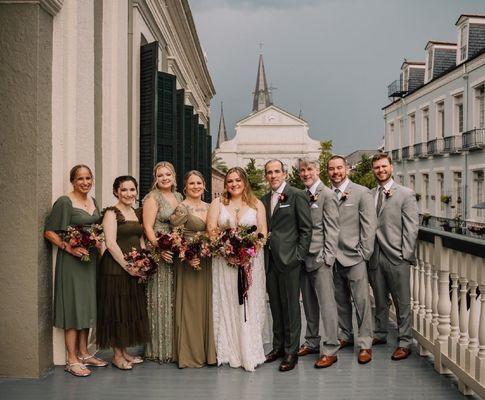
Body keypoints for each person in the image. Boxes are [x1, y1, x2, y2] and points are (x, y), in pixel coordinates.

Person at [44, 165, 107, 377]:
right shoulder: (65, 202)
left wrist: (98, 242)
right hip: (71, 263)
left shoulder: (94, 202)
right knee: (73, 306)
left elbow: (96, 228)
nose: (85, 182)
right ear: (72, 180)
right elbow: (49, 232)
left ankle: (84, 353)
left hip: (90, 262)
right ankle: (71, 359)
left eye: (88, 178)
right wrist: (68, 247)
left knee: (87, 305)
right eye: (80, 178)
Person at [207, 167, 268, 372]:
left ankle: (248, 349)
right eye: (230, 181)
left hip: (250, 263)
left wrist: (248, 253)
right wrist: (227, 251)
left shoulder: (256, 203)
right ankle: (230, 349)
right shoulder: (218, 203)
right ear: (226, 184)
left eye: (238, 180)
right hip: (224, 262)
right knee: (228, 300)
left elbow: (263, 232)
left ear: (245, 182)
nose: (234, 184)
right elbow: (211, 230)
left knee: (248, 303)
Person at [261, 159, 312, 372]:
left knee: (291, 306)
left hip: (290, 260)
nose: (273, 176)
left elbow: (306, 229)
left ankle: (291, 351)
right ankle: (278, 346)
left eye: (276, 172)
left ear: (284, 174)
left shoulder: (297, 195)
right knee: (275, 305)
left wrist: (298, 256)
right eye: (269, 173)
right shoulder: (263, 199)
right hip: (269, 261)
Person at [369, 153, 418, 361]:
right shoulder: (370, 194)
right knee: (380, 298)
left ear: (391, 167)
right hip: (374, 255)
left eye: (384, 166)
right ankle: (380, 333)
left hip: (397, 256)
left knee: (402, 301)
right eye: (377, 167)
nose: (380, 170)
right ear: (373, 170)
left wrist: (405, 255)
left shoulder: (405, 194)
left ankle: (405, 341)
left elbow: (412, 227)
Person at [96, 176, 149, 370]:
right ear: (116, 191)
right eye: (124, 190)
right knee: (116, 310)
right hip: (115, 269)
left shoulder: (136, 212)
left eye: (132, 189)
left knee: (127, 310)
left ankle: (124, 351)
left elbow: (140, 239)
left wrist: (144, 262)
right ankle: (117, 356)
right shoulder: (112, 213)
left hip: (134, 269)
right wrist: (128, 266)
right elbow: (110, 243)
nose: (129, 194)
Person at [328, 155, 377, 365]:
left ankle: (365, 343)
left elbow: (369, 226)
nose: (336, 172)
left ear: (346, 168)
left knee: (362, 302)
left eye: (339, 167)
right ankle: (345, 335)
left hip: (355, 256)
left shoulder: (361, 192)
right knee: (340, 301)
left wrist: (364, 253)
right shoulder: (326, 194)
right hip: (332, 256)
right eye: (331, 169)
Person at [297, 158, 340, 368]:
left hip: (320, 258)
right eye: (302, 170)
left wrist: (327, 257)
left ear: (317, 170)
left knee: (327, 305)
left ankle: (331, 348)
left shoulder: (328, 194)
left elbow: (332, 228)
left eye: (310, 169)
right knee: (309, 303)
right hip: (304, 258)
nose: (306, 173)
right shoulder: (301, 194)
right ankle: (312, 341)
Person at [170, 170, 217, 368]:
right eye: (191, 184)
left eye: (199, 183)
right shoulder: (181, 208)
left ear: (204, 185)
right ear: (185, 187)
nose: (196, 186)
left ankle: (209, 352)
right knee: (190, 305)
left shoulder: (210, 206)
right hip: (189, 262)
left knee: (207, 304)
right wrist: (188, 256)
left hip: (207, 260)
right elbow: (175, 236)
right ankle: (190, 353)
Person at [143, 162, 182, 362]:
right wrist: (160, 249)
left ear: (174, 176)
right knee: (160, 299)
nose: (165, 178)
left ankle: (176, 348)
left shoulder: (179, 197)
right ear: (155, 178)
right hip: (160, 253)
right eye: (160, 175)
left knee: (175, 300)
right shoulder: (152, 198)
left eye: (168, 174)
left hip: (177, 253)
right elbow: (148, 228)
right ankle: (158, 349)